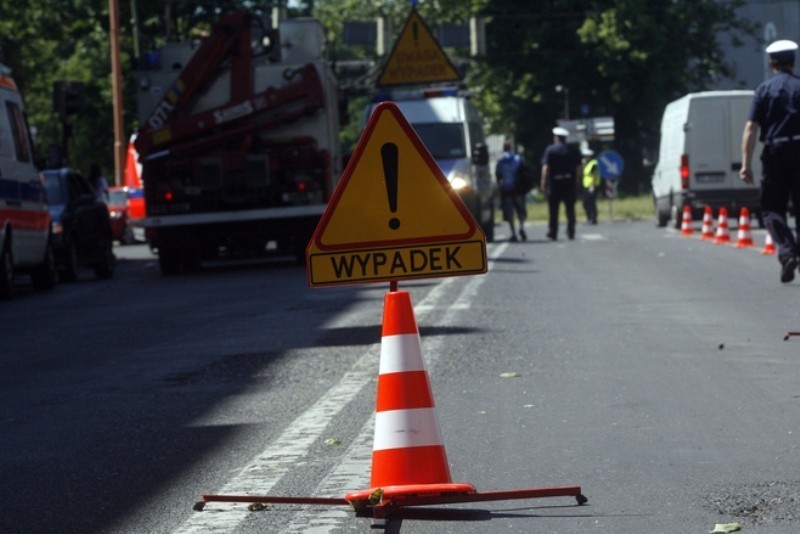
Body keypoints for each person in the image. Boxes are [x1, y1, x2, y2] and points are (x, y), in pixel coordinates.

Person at [740, 39, 800, 283]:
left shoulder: (763, 91)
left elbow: (751, 128)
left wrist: (746, 163)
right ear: (793, 62)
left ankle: (787, 253)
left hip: (775, 153)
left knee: (772, 207)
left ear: (771, 62)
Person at [540, 127, 582, 240]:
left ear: (556, 138)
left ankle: (553, 232)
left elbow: (546, 167)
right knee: (570, 209)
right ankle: (571, 231)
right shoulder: (573, 150)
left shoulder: (550, 150)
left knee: (553, 210)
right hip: (569, 183)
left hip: (555, 184)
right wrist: (576, 181)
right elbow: (577, 168)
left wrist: (543, 182)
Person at [495, 141, 527, 241]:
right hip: (517, 190)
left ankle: (513, 233)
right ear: (511, 148)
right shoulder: (518, 159)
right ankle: (521, 227)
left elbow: (498, 175)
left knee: (509, 213)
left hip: (506, 190)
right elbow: (524, 173)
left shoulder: (500, 161)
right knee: (521, 210)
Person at [581, 148, 600, 224]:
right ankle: (589, 218)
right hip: (587, 186)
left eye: (586, 156)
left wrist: (592, 185)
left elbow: (594, 175)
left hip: (592, 186)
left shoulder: (593, 163)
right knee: (586, 203)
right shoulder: (588, 164)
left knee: (591, 203)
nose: (584, 157)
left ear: (589, 156)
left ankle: (593, 218)